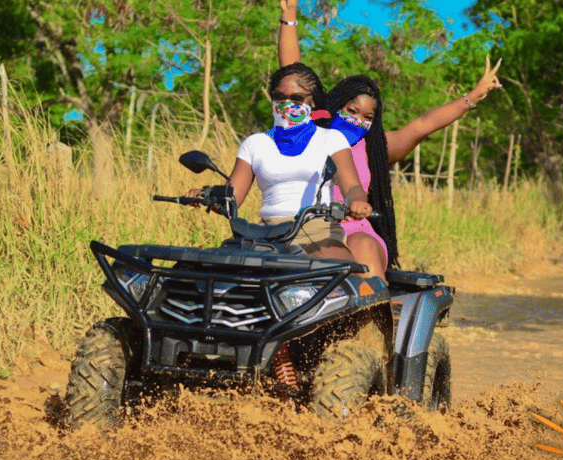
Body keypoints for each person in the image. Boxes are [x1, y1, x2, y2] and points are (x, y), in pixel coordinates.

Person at [278, 0, 503, 274]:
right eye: (351, 111)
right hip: (307, 229)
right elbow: (293, 77)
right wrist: (289, 17)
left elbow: (423, 125)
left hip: (354, 231)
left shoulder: (374, 148)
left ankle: (374, 312)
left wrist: (472, 97)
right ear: (335, 106)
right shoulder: (311, 131)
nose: (358, 121)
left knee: (363, 250)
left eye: (367, 118)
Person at [186, 62, 380, 274]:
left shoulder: (332, 139)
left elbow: (352, 185)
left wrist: (357, 201)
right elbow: (231, 198)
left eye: (297, 98)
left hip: (319, 231)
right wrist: (206, 195)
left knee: (345, 278)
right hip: (266, 234)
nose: (287, 104)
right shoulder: (255, 143)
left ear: (313, 102)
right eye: (280, 97)